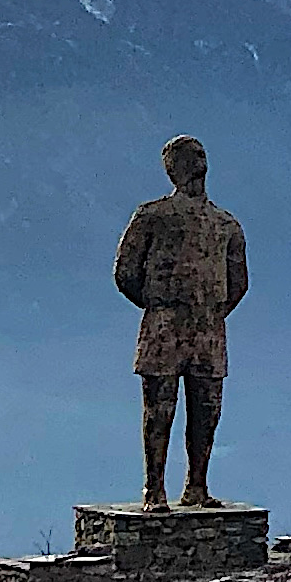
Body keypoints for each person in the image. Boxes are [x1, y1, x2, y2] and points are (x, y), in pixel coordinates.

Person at [111, 135, 247, 508]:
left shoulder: (226, 225)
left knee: (207, 410)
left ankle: (196, 486)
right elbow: (125, 272)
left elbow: (239, 282)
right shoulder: (151, 216)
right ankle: (154, 489)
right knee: (160, 409)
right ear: (172, 168)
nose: (197, 159)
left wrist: (211, 311)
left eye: (201, 153)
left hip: (208, 328)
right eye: (187, 156)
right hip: (164, 324)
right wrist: (160, 305)